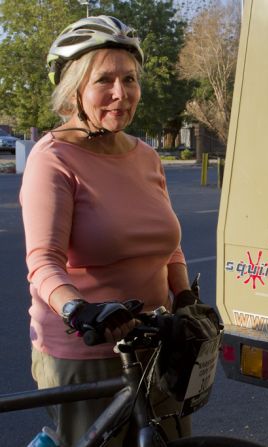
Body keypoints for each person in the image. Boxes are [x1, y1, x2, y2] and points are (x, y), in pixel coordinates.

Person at [20, 15, 199, 446]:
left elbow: (167, 245)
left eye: (130, 78)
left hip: (157, 343)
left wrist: (186, 298)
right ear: (74, 89)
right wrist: (78, 310)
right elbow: (42, 261)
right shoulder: (53, 159)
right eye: (105, 80)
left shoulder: (145, 156)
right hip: (87, 350)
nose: (121, 93)